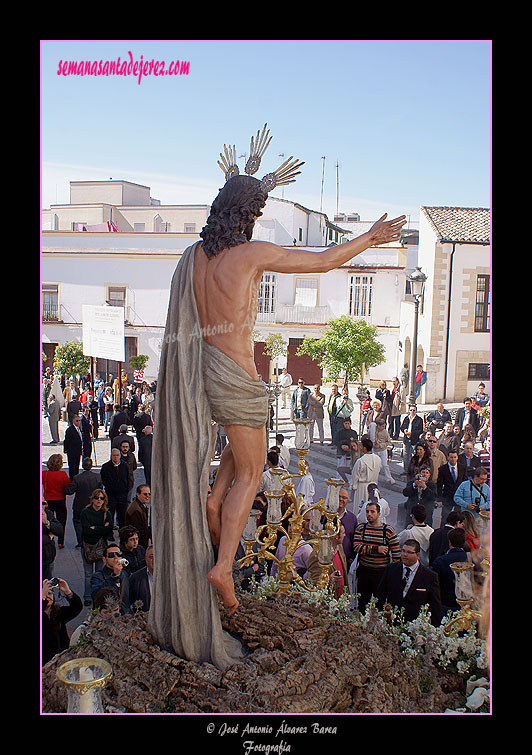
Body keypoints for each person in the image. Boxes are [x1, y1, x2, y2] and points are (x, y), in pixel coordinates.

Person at [148, 134, 406, 669]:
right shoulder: (252, 254)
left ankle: (214, 505)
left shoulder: (194, 258)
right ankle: (222, 564)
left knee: (234, 465)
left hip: (204, 374)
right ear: (248, 216)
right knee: (252, 472)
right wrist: (371, 237)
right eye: (259, 210)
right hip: (240, 375)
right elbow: (324, 259)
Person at [375, 539, 442, 626]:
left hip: (415, 625)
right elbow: (380, 595)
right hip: (392, 623)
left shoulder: (429, 576)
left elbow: (435, 605)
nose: (405, 555)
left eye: (409, 552)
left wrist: (436, 628)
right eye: (403, 551)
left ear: (417, 555)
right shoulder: (391, 569)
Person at [352, 501, 401, 613]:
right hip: (364, 571)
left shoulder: (387, 531)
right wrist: (376, 549)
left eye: (372, 512)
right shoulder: (361, 529)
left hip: (381, 573)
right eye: (367, 512)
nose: (369, 514)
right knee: (362, 601)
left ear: (379, 514)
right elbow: (357, 547)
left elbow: (396, 552)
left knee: (379, 603)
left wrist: (394, 572)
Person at [80, 489, 114, 606]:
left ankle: (98, 596)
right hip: (88, 547)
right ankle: (88, 596)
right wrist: (102, 528)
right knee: (88, 574)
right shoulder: (85, 512)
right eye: (97, 498)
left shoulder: (106, 513)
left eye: (101, 498)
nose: (99, 500)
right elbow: (86, 531)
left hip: (101, 547)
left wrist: (95, 528)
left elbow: (109, 530)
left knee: (100, 573)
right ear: (92, 499)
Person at [42, 577, 83, 665]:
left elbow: (77, 607)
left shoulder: (57, 612)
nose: (47, 597)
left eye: (50, 593)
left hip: (62, 659)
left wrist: (68, 592)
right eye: (45, 595)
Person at [430, 527, 469, 615]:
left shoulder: (441, 561)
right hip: (466, 605)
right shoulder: (471, 560)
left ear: (450, 541)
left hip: (445, 603)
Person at [65, 457, 102, 548]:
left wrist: (64, 488)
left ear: (82, 465)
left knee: (78, 523)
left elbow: (70, 491)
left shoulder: (77, 478)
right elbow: (100, 490)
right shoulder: (97, 477)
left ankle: (81, 541)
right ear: (91, 465)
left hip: (79, 505)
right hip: (93, 505)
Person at [307, 523, 349, 597]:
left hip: (341, 597)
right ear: (336, 536)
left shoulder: (340, 548)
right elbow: (314, 581)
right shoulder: (317, 555)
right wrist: (328, 579)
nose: (344, 535)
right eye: (343, 533)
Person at [90, 542, 131, 615]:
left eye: (118, 555)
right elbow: (96, 595)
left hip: (124, 616)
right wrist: (114, 576)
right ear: (104, 559)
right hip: (107, 616)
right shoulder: (98, 576)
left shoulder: (124, 574)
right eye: (111, 555)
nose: (116, 558)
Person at [42, 454, 70, 549]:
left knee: (48, 520)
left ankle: (49, 537)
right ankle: (61, 542)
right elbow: (68, 486)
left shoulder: (44, 474)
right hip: (60, 500)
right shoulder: (63, 474)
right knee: (61, 521)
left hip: (48, 500)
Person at [100, 447, 130, 529]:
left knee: (122, 516)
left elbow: (128, 478)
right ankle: (110, 533)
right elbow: (103, 480)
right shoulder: (106, 467)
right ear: (111, 456)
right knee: (110, 515)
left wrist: (126, 490)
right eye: (114, 455)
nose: (115, 457)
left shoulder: (125, 466)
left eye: (117, 455)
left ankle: (122, 533)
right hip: (111, 495)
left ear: (120, 456)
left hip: (122, 496)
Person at [350, 438, 381, 515]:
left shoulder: (360, 461)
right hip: (373, 486)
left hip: (362, 487)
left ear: (364, 448)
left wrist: (354, 486)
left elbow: (355, 475)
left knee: (360, 509)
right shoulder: (378, 459)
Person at [436, 450, 467, 523]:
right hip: (447, 496)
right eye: (451, 457)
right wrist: (439, 499)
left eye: (454, 457)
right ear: (448, 458)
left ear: (457, 458)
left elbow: (465, 482)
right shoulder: (443, 469)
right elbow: (439, 485)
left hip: (459, 496)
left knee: (459, 517)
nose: (453, 459)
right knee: (445, 516)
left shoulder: (462, 467)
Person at [125, 485, 152, 549]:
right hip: (138, 545)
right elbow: (139, 530)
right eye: (145, 494)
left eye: (149, 494)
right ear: (138, 495)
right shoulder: (136, 510)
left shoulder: (140, 506)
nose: (147, 496)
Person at [129, 545, 154, 612]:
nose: (154, 560)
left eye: (157, 557)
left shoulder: (168, 577)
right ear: (145, 559)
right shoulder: (135, 578)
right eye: (151, 557)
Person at [334, 418, 359, 485]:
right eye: (345, 423)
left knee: (349, 468)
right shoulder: (340, 432)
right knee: (340, 467)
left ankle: (349, 482)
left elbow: (356, 442)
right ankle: (339, 481)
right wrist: (341, 446)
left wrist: (350, 447)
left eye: (348, 424)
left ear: (350, 424)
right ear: (343, 424)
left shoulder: (353, 433)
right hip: (341, 452)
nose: (347, 425)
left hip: (350, 453)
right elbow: (335, 441)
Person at [42, 502, 63, 580]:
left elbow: (60, 530)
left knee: (49, 585)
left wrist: (47, 523)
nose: (42, 506)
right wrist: (48, 538)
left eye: (43, 503)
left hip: (48, 558)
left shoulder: (48, 513)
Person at [337, 487, 357, 567]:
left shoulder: (352, 518)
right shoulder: (326, 515)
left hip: (345, 559)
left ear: (347, 500)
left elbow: (355, 538)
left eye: (344, 498)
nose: (341, 499)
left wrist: (352, 557)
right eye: (339, 496)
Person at [401, 405, 424, 471]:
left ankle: (415, 469)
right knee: (406, 455)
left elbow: (420, 430)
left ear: (416, 411)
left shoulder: (419, 420)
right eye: (411, 410)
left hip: (414, 440)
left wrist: (412, 433)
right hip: (406, 439)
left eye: (414, 410)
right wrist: (404, 430)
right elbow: (402, 427)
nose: (412, 411)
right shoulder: (406, 418)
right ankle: (406, 470)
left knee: (415, 455)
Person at [63, 413, 85, 481]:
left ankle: (76, 479)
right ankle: (72, 480)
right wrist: (66, 449)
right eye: (77, 421)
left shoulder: (79, 429)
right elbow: (67, 441)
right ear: (73, 421)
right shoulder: (70, 430)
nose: (78, 422)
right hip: (72, 451)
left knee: (76, 467)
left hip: (78, 451)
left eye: (79, 420)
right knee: (72, 467)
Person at [373, 418, 394, 485]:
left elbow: (389, 442)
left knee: (385, 465)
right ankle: (374, 480)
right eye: (382, 426)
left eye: (384, 426)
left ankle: (389, 478)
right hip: (375, 450)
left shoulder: (385, 432)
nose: (383, 428)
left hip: (382, 450)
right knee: (375, 466)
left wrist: (381, 445)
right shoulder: (373, 430)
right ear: (378, 425)